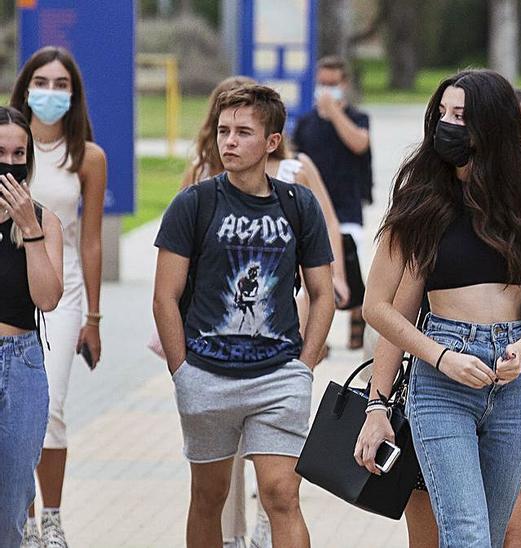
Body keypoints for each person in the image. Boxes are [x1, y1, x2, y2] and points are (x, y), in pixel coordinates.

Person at [354, 69, 521, 548]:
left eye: (460, 116)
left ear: (488, 126)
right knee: (467, 536)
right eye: (442, 114)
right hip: (442, 374)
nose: (446, 126)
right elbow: (380, 308)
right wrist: (390, 392)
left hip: (515, 377)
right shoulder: (422, 199)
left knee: (489, 537)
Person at [153, 84, 335, 547]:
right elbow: (164, 296)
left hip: (278, 377)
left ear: (272, 141)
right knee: (209, 496)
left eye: (243, 132)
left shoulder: (298, 205)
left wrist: (304, 368)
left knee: (281, 496)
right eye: (223, 131)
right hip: (206, 374)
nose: (228, 142)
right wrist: (182, 371)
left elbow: (322, 292)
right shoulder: (195, 203)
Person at [6, 46, 106, 548]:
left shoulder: (86, 156)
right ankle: (18, 516)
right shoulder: (9, 144)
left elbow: (89, 241)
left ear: (74, 93)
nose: (50, 92)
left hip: (59, 286)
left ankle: (52, 517)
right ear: (24, 87)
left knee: (52, 406)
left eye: (61, 84)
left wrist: (94, 315)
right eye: (41, 82)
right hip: (10, 283)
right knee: (16, 412)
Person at [0, 106, 64, 548]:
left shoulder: (44, 221)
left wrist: (30, 230)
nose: (9, 162)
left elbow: (48, 299)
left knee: (11, 508)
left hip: (19, 364)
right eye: (0, 152)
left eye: (19, 153)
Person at [292, 55, 372, 351]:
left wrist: (335, 113)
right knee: (314, 271)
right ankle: (316, 336)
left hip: (347, 207)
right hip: (312, 210)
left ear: (344, 84)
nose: (325, 90)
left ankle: (356, 319)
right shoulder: (305, 123)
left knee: (347, 266)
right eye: (321, 83)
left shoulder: (357, 118)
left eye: (332, 84)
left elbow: (360, 143)